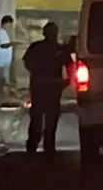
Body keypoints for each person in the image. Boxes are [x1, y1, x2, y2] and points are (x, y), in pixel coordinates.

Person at [23, 21, 71, 154]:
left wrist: (37, 75)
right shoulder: (60, 49)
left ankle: (33, 144)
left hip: (40, 86)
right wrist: (66, 82)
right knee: (50, 116)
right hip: (53, 86)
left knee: (39, 115)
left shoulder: (36, 47)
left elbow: (27, 63)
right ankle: (48, 145)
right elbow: (70, 67)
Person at [0, 14, 15, 107]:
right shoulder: (1, 33)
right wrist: (12, 43)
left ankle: (4, 101)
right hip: (1, 63)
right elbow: (3, 45)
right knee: (4, 83)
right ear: (6, 23)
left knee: (4, 83)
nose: (10, 27)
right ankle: (4, 101)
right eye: (10, 24)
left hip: (4, 62)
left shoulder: (4, 33)